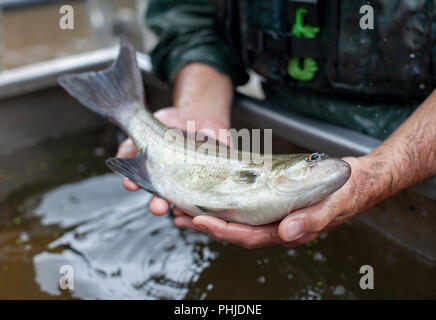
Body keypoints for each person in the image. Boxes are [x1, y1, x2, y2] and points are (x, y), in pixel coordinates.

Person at [117, 0, 436, 248]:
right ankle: (127, 110)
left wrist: (382, 171)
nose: (317, 163)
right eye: (313, 162)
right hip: (275, 123)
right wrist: (199, 106)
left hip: (415, 154)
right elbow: (191, 19)